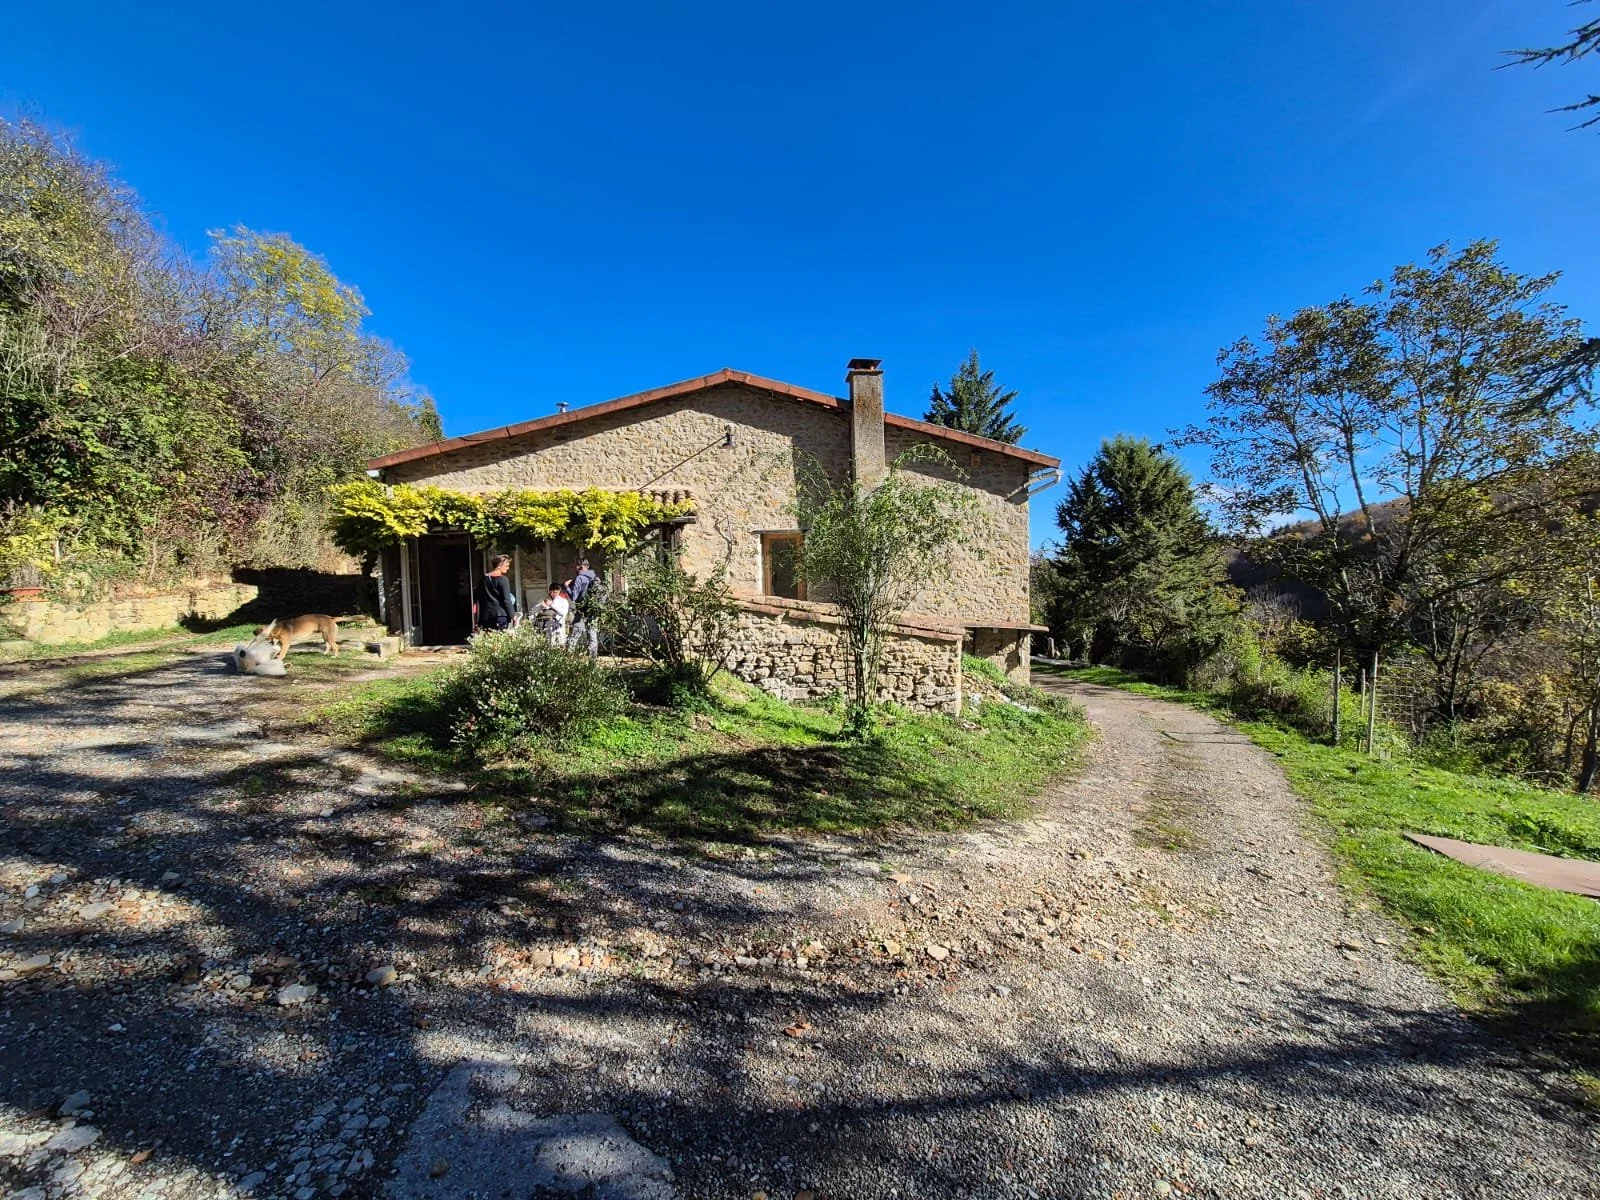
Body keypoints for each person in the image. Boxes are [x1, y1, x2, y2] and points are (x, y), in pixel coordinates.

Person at [565, 556, 601, 657]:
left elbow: (574, 597)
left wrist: (567, 586)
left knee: (575, 633)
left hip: (582, 610)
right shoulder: (594, 577)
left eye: (576, 565)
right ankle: (592, 661)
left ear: (580, 567)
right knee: (592, 634)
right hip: (592, 609)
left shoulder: (579, 578)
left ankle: (568, 658)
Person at [475, 554, 517, 632]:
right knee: (501, 640)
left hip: (486, 616)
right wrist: (513, 616)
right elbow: (506, 600)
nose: (508, 568)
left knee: (490, 641)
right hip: (501, 615)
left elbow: (478, 599)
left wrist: (476, 619)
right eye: (506, 566)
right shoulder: (503, 580)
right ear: (499, 566)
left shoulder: (483, 579)